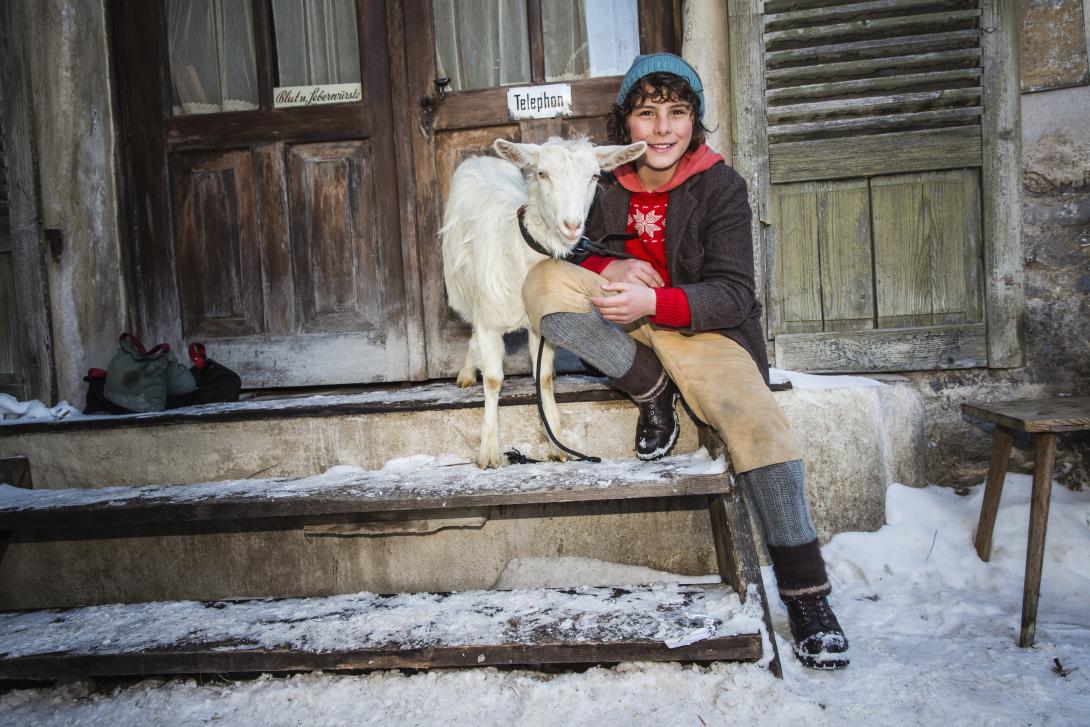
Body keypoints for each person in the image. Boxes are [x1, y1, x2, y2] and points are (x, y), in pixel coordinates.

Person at [521, 53, 850, 669]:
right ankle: (651, 392)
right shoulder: (605, 179)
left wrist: (658, 299)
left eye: (678, 112)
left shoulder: (720, 185)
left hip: (705, 329)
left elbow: (734, 291)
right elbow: (565, 245)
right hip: (630, 324)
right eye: (647, 114)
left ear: (695, 120)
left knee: (756, 421)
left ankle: (808, 596)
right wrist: (606, 266)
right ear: (627, 124)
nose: (663, 127)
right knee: (542, 284)